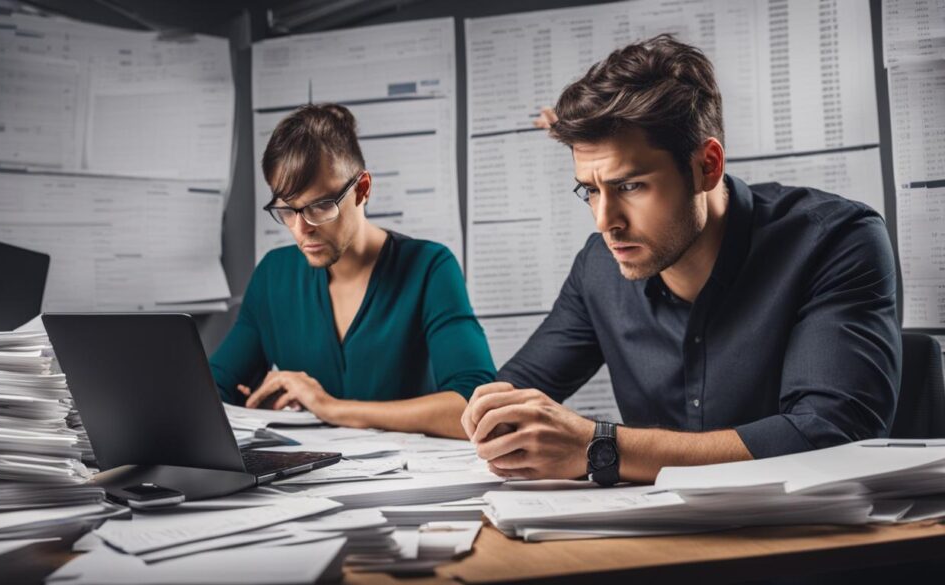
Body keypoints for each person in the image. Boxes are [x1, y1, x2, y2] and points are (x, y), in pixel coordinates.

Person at [461, 34, 901, 483]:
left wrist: (601, 446)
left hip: (812, 542)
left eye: (630, 186)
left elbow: (834, 438)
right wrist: (493, 416)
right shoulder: (599, 266)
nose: (604, 221)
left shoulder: (835, 241)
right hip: (655, 535)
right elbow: (512, 393)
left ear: (707, 166)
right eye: (590, 191)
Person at [211, 103, 495, 439]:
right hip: (304, 481)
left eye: (319, 206)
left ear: (362, 189)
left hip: (409, 483)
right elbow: (213, 390)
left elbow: (476, 408)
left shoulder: (430, 267)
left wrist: (329, 407)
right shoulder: (274, 275)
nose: (302, 230)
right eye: (287, 210)